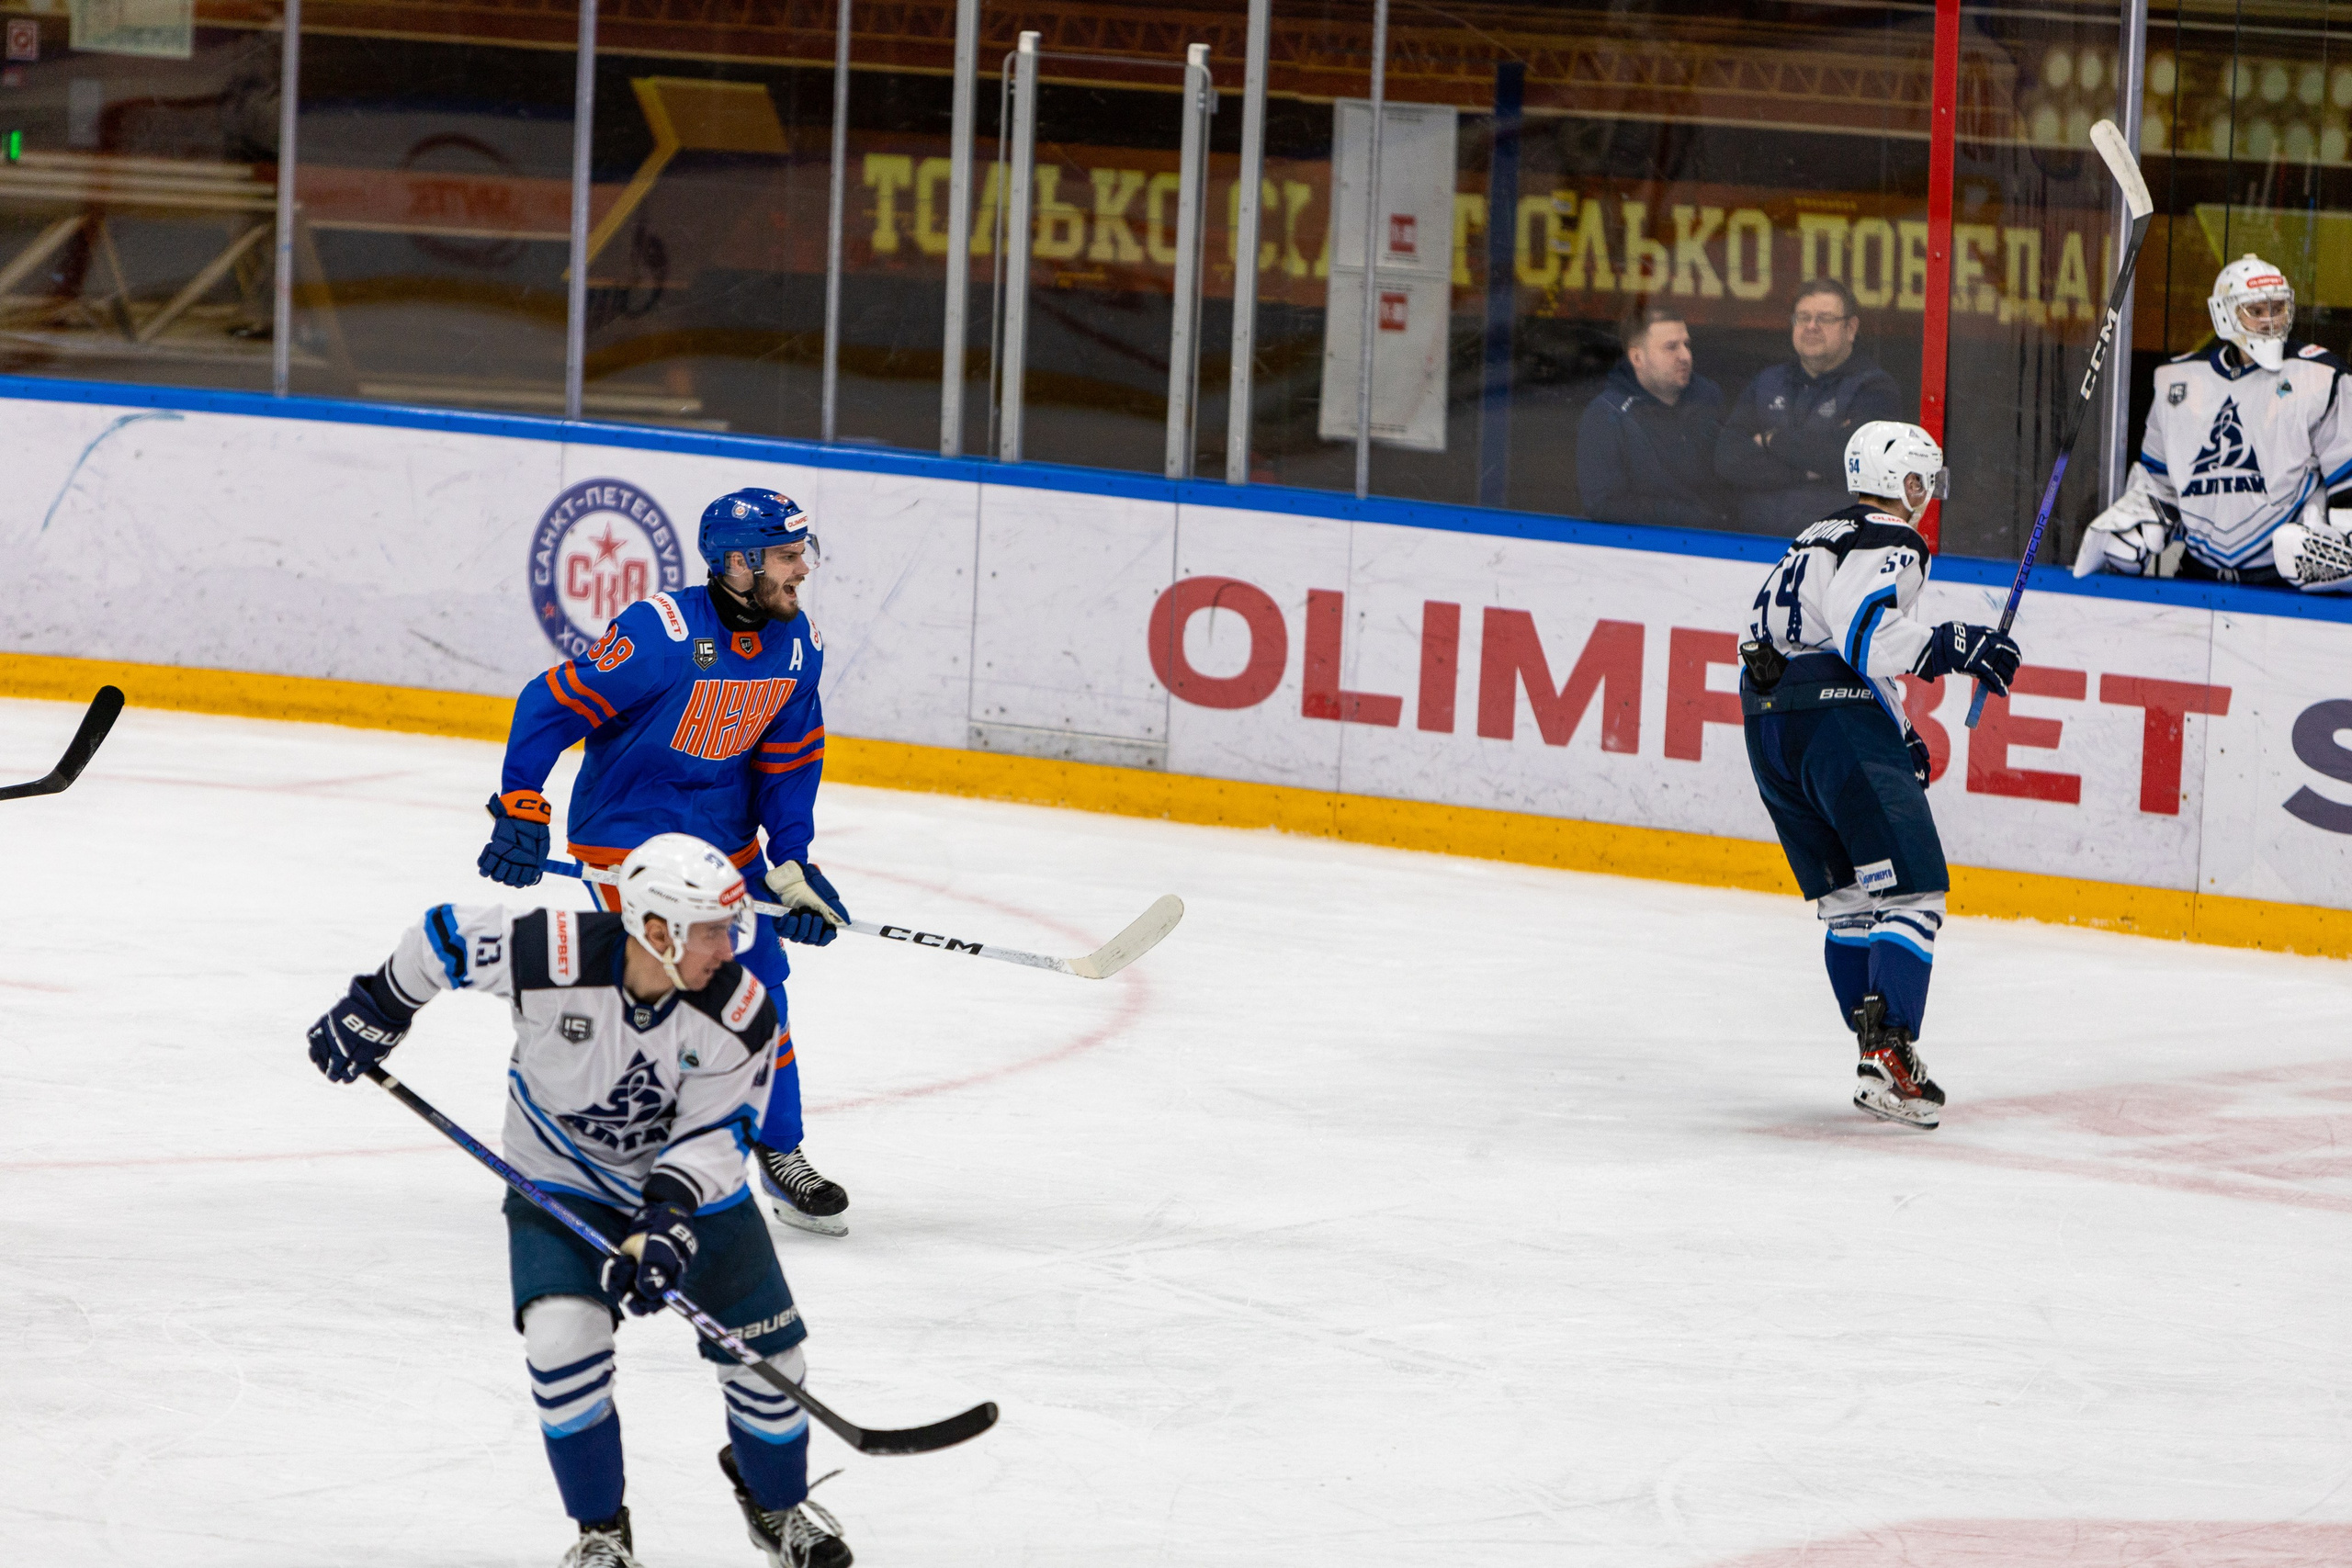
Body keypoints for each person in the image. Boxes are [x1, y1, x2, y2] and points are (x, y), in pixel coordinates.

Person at [304, 834, 853, 1568]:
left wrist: (666, 1225)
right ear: (657, 931)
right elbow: (445, 934)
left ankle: (779, 1507)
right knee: (562, 1339)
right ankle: (601, 1532)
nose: (730, 949)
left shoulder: (742, 1011)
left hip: (696, 1199)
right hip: (561, 1178)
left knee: (768, 1355)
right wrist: (379, 1005)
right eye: (715, 932)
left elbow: (718, 1135)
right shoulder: (551, 952)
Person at [478, 489, 854, 1237]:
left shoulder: (798, 644)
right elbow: (550, 704)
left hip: (725, 842)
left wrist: (792, 862)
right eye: (785, 555)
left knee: (763, 986)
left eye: (800, 554)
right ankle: (589, 1155)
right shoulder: (660, 633)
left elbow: (790, 759)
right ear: (737, 563)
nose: (801, 570)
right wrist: (521, 802)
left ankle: (779, 1148)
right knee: (661, 994)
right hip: (631, 840)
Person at [1737, 421, 2022, 1129]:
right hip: (1833, 720)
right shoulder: (1893, 539)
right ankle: (1889, 1054)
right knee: (1916, 888)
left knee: (1848, 901)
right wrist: (1955, 643)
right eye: (1926, 482)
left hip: (1769, 720)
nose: (1929, 498)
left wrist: (1895, 733)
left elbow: (1816, 644)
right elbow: (1864, 638)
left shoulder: (1816, 535)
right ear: (1906, 484)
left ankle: (1877, 1054)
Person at [2075, 253, 2352, 590]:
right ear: (2225, 313)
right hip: (2196, 576)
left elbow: (2347, 483)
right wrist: (2134, 523)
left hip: (2285, 583)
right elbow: (2158, 482)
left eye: (2277, 308)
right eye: (2257, 311)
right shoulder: (2176, 381)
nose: (2270, 320)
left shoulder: (2322, 377)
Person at [1716, 278, 1907, 536]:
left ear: (1850, 328)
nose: (1811, 327)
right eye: (1803, 317)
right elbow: (1728, 458)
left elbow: (1849, 461)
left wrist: (1773, 440)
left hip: (1836, 548)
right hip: (1754, 543)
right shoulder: (1768, 382)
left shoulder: (1874, 389)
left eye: (1825, 319)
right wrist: (1806, 472)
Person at [1575, 302, 1731, 529]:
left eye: (1687, 345)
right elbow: (1604, 504)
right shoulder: (1607, 414)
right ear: (1637, 358)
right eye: (1671, 347)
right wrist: (1689, 516)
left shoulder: (1708, 397)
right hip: (1642, 552)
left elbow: (1728, 480)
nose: (1685, 356)